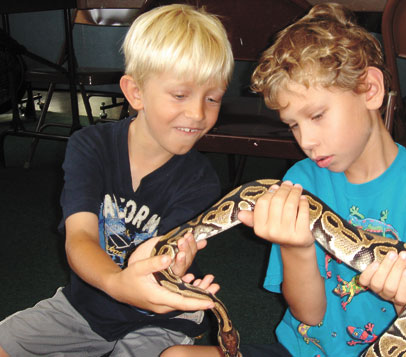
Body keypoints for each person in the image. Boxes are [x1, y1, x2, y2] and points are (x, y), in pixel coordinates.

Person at [163, 3, 406, 356]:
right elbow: (309, 315)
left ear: (370, 90)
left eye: (317, 115)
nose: (306, 141)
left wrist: (404, 300)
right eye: (294, 125)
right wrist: (296, 246)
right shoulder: (299, 182)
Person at [0, 4, 234, 356]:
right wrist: (116, 283)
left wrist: (172, 267)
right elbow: (79, 237)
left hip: (161, 314)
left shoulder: (201, 180)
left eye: (212, 98)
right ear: (135, 92)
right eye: (180, 95)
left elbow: (164, 262)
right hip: (86, 302)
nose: (199, 113)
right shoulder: (89, 146)